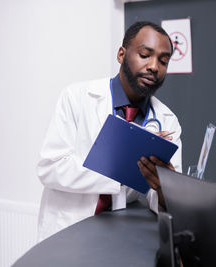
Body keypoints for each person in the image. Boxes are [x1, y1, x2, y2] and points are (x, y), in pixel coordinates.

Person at [36, 21, 182, 241]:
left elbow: (160, 199)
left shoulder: (167, 121)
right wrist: (124, 167)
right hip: (67, 231)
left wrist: (164, 186)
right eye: (144, 55)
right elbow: (50, 167)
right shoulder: (76, 98)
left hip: (119, 236)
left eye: (163, 61)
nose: (154, 66)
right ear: (121, 54)